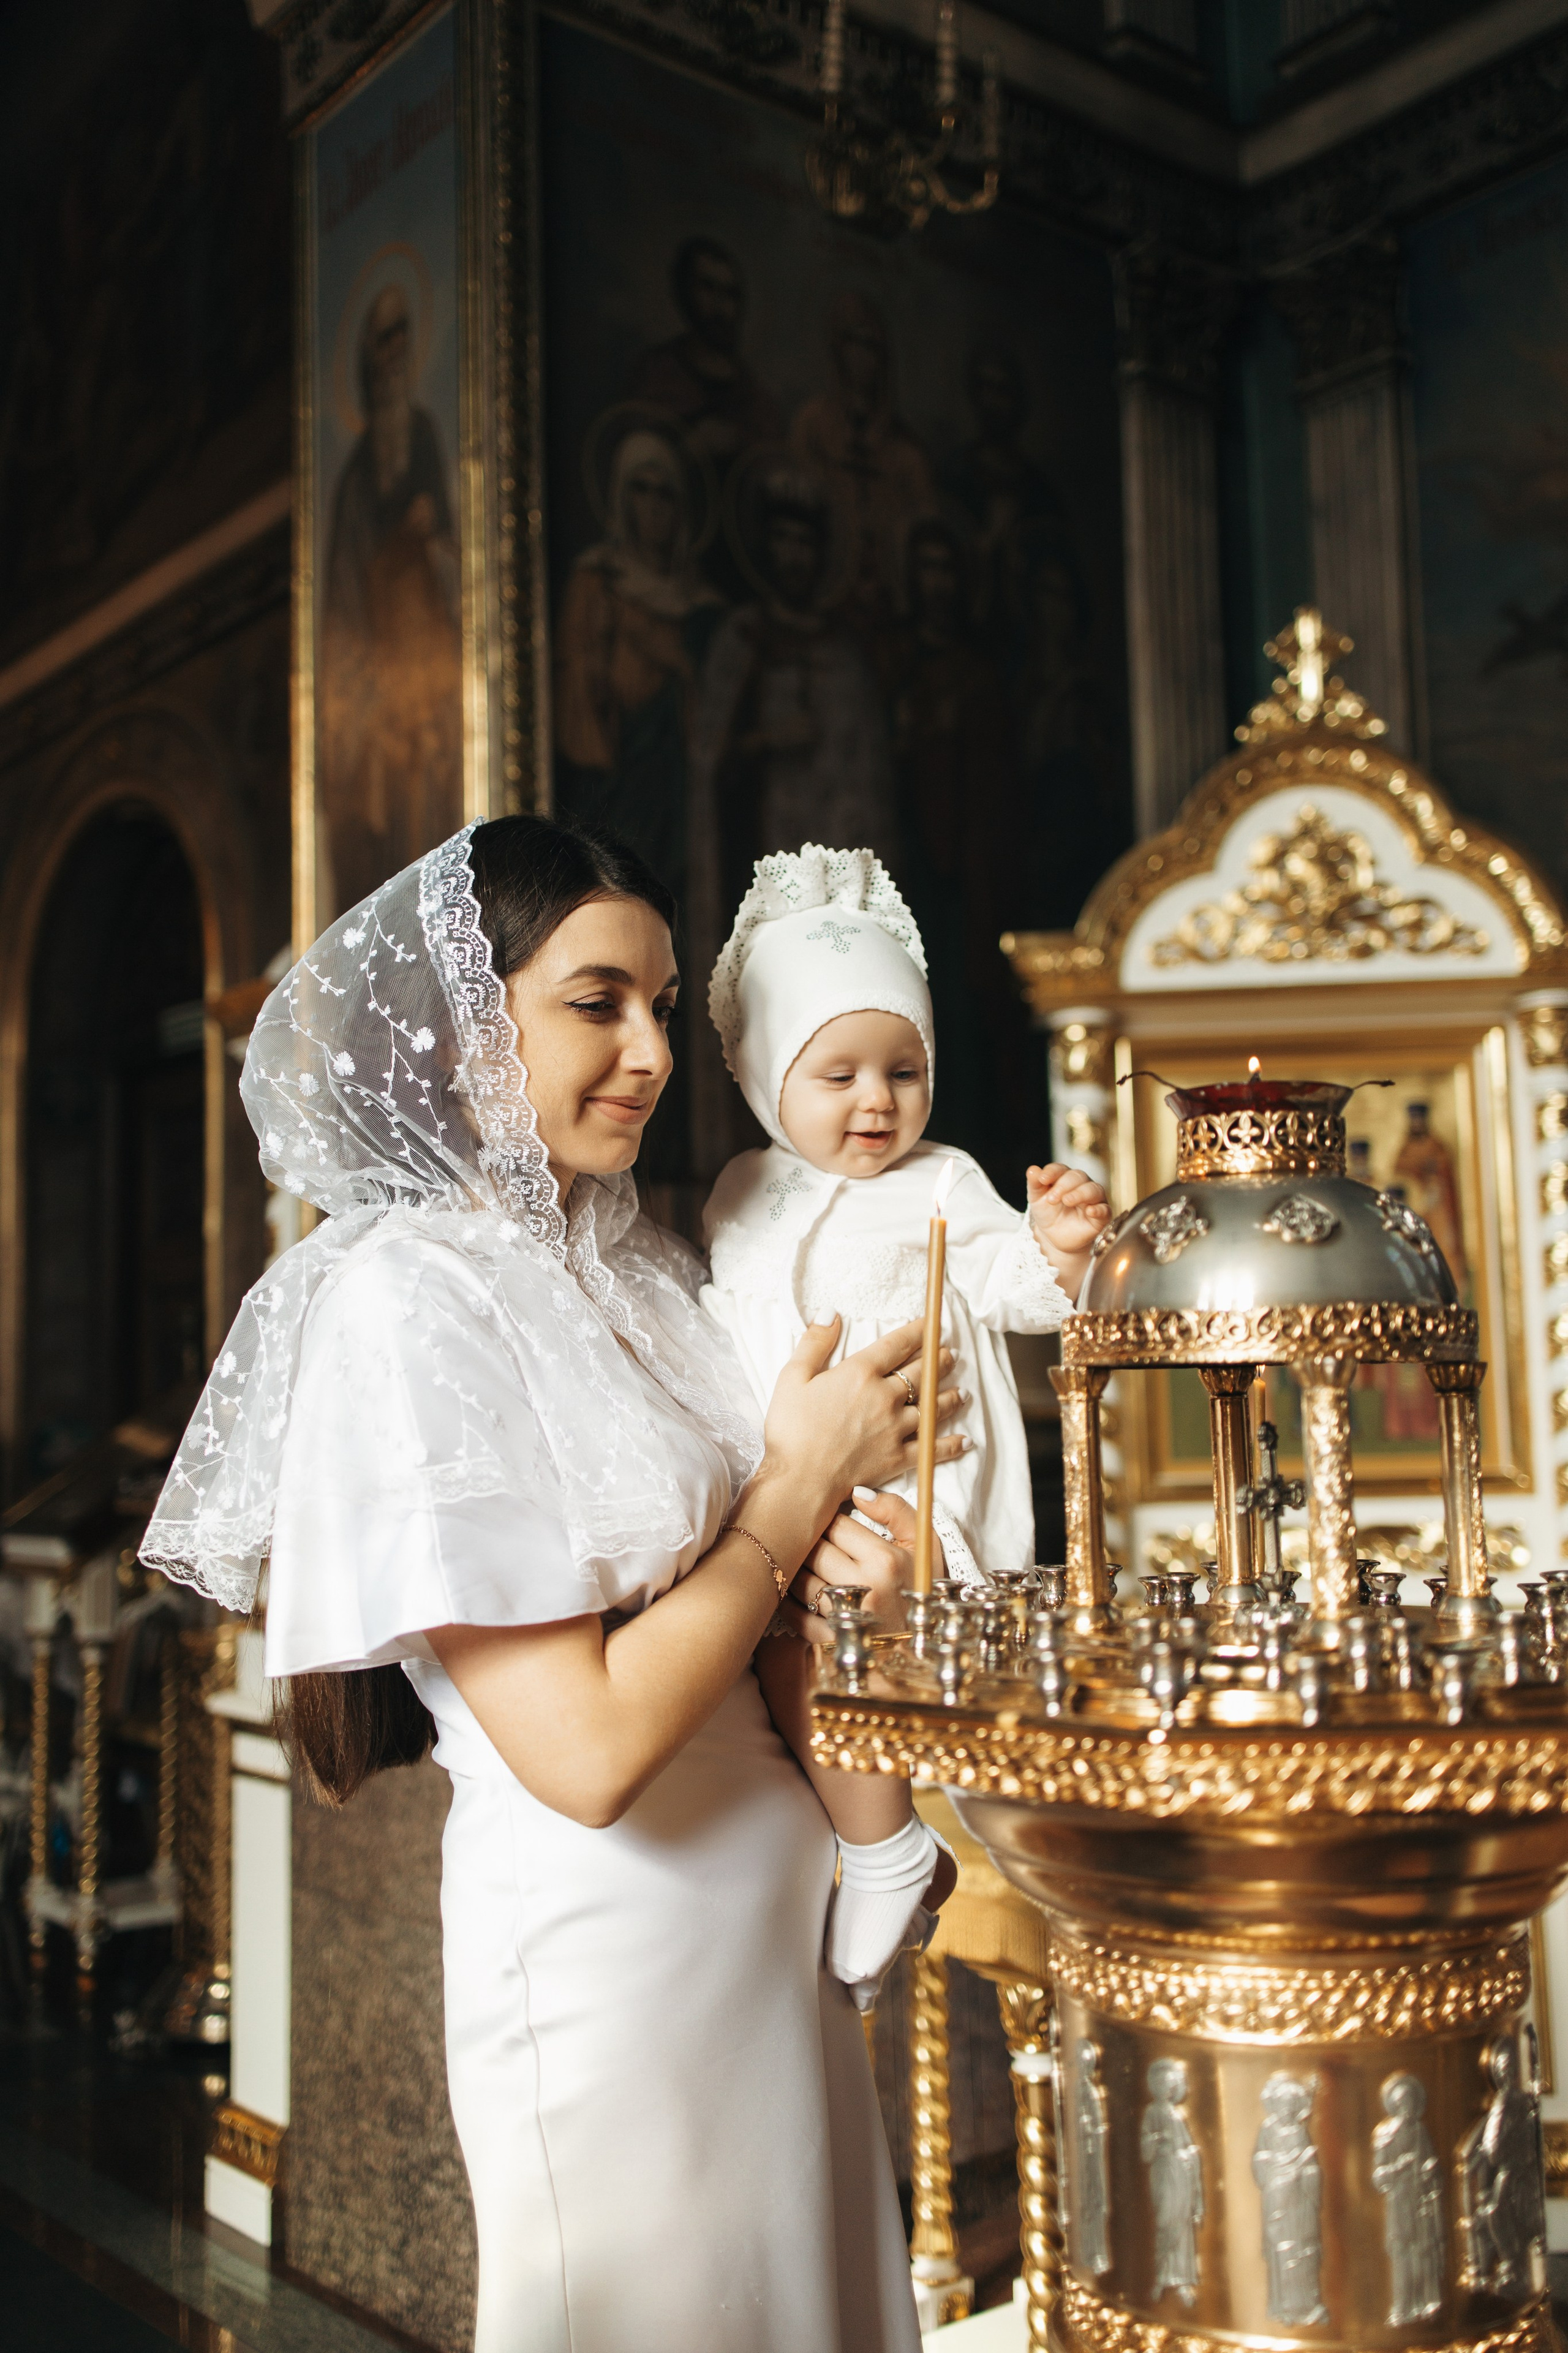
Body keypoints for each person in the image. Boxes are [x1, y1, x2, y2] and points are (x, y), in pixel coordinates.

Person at [140, 816, 967, 2353]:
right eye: (598, 1001)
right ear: (471, 1019)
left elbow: (768, 1603)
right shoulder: (404, 1295)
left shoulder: (640, 1260)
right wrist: (793, 1488)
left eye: (662, 1003)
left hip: (776, 1945)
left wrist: (870, 1575)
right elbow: (581, 1753)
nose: (650, 1052)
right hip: (612, 1958)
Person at [699, 842, 1107, 2003]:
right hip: (782, 1480)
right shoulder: (740, 1191)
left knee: (843, 1614)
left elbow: (1013, 1290)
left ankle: (892, 1845)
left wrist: (1057, 1248)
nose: (878, 1102)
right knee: (779, 1646)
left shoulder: (941, 1182)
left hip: (912, 1491)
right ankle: (875, 1840)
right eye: (838, 1076)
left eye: (904, 1070)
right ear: (764, 1075)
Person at [320, 282, 462, 913]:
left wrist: (431, 544)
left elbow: (455, 547)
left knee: (434, 793)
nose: (397, 351)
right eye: (385, 339)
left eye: (405, 333)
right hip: (383, 665)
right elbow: (347, 595)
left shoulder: (425, 434)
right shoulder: (354, 477)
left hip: (428, 646)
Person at [627, 235, 782, 473]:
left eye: (730, 293)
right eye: (708, 287)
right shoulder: (657, 374)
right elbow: (633, 464)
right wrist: (688, 448)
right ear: (686, 292)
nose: (720, 305)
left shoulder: (758, 401)